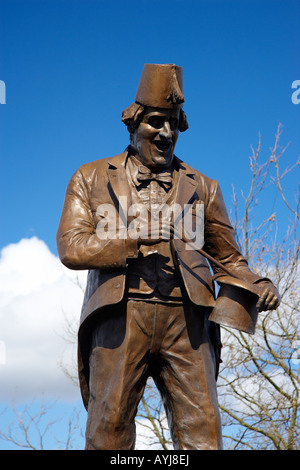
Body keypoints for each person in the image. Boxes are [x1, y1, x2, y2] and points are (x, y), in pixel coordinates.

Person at [56, 64, 280, 450]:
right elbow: (72, 246)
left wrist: (258, 284)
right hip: (121, 317)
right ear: (134, 123)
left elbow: (229, 258)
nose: (166, 133)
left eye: (173, 124)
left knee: (204, 434)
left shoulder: (204, 187)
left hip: (189, 322)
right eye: (157, 122)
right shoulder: (90, 177)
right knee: (108, 431)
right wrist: (132, 239)